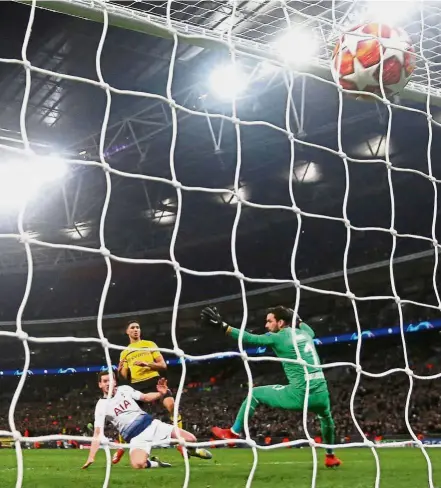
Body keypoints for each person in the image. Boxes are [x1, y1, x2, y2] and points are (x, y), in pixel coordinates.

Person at [200, 305, 342, 468]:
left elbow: (250, 338)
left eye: (269, 321)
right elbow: (308, 328)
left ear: (281, 323)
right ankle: (330, 456)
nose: (266, 325)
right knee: (326, 419)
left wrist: (223, 327)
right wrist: (298, 318)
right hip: (322, 394)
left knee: (255, 393)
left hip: (300, 395)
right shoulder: (306, 334)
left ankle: (233, 433)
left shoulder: (278, 337)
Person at [82, 371, 212, 471]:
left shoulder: (125, 389)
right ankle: (156, 463)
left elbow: (144, 397)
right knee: (138, 465)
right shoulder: (101, 406)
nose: (108, 383)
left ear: (115, 382)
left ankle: (193, 451)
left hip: (152, 425)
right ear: (100, 384)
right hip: (136, 438)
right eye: (105, 381)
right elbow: (97, 433)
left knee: (191, 439)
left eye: (111, 380)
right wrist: (91, 456)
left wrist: (160, 394)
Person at [113, 320, 183, 464]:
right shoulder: (125, 352)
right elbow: (124, 377)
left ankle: (180, 444)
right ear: (127, 332)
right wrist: (120, 370)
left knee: (172, 407)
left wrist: (147, 364)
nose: (136, 330)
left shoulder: (150, 345)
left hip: (154, 381)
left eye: (138, 327)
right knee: (126, 417)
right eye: (132, 328)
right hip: (137, 386)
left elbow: (163, 365)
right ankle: (121, 448)